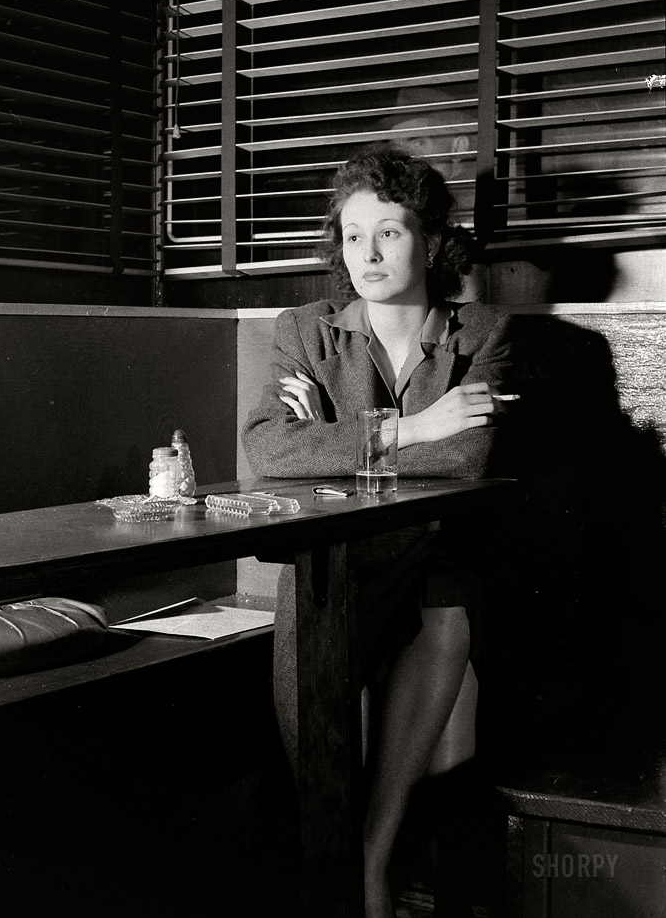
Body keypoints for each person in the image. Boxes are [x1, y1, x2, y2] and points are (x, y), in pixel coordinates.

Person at [242, 147, 515, 918]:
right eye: (353, 235)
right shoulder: (305, 330)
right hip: (341, 564)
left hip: (435, 553)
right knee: (320, 614)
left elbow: (470, 455)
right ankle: (344, 860)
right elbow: (268, 449)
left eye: (389, 233)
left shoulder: (482, 331)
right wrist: (415, 426)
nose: (367, 253)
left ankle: (373, 855)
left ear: (430, 242)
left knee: (449, 596)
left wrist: (341, 438)